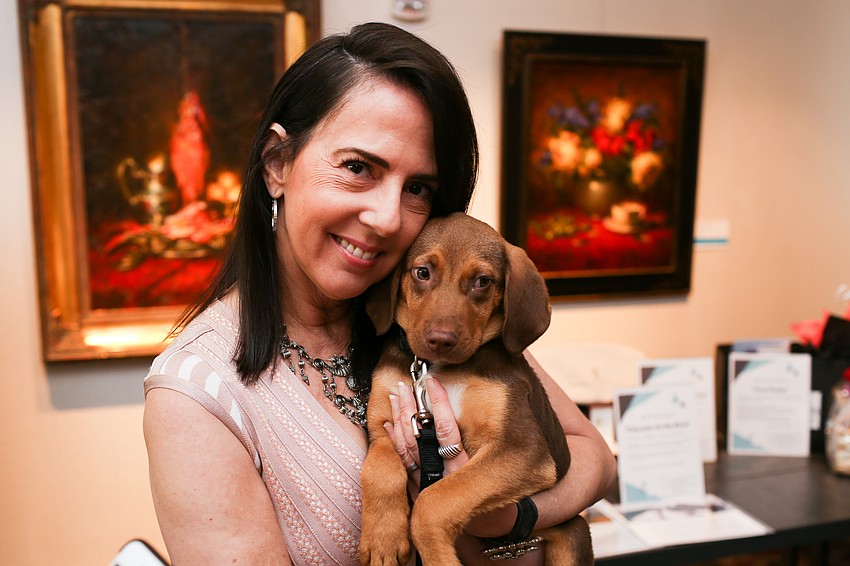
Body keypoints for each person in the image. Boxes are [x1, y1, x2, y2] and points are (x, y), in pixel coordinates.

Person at [143, 22, 616, 565]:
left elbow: (594, 457)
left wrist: (510, 517)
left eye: (418, 188)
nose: (388, 218)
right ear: (277, 164)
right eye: (357, 168)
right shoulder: (196, 395)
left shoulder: (433, 323)